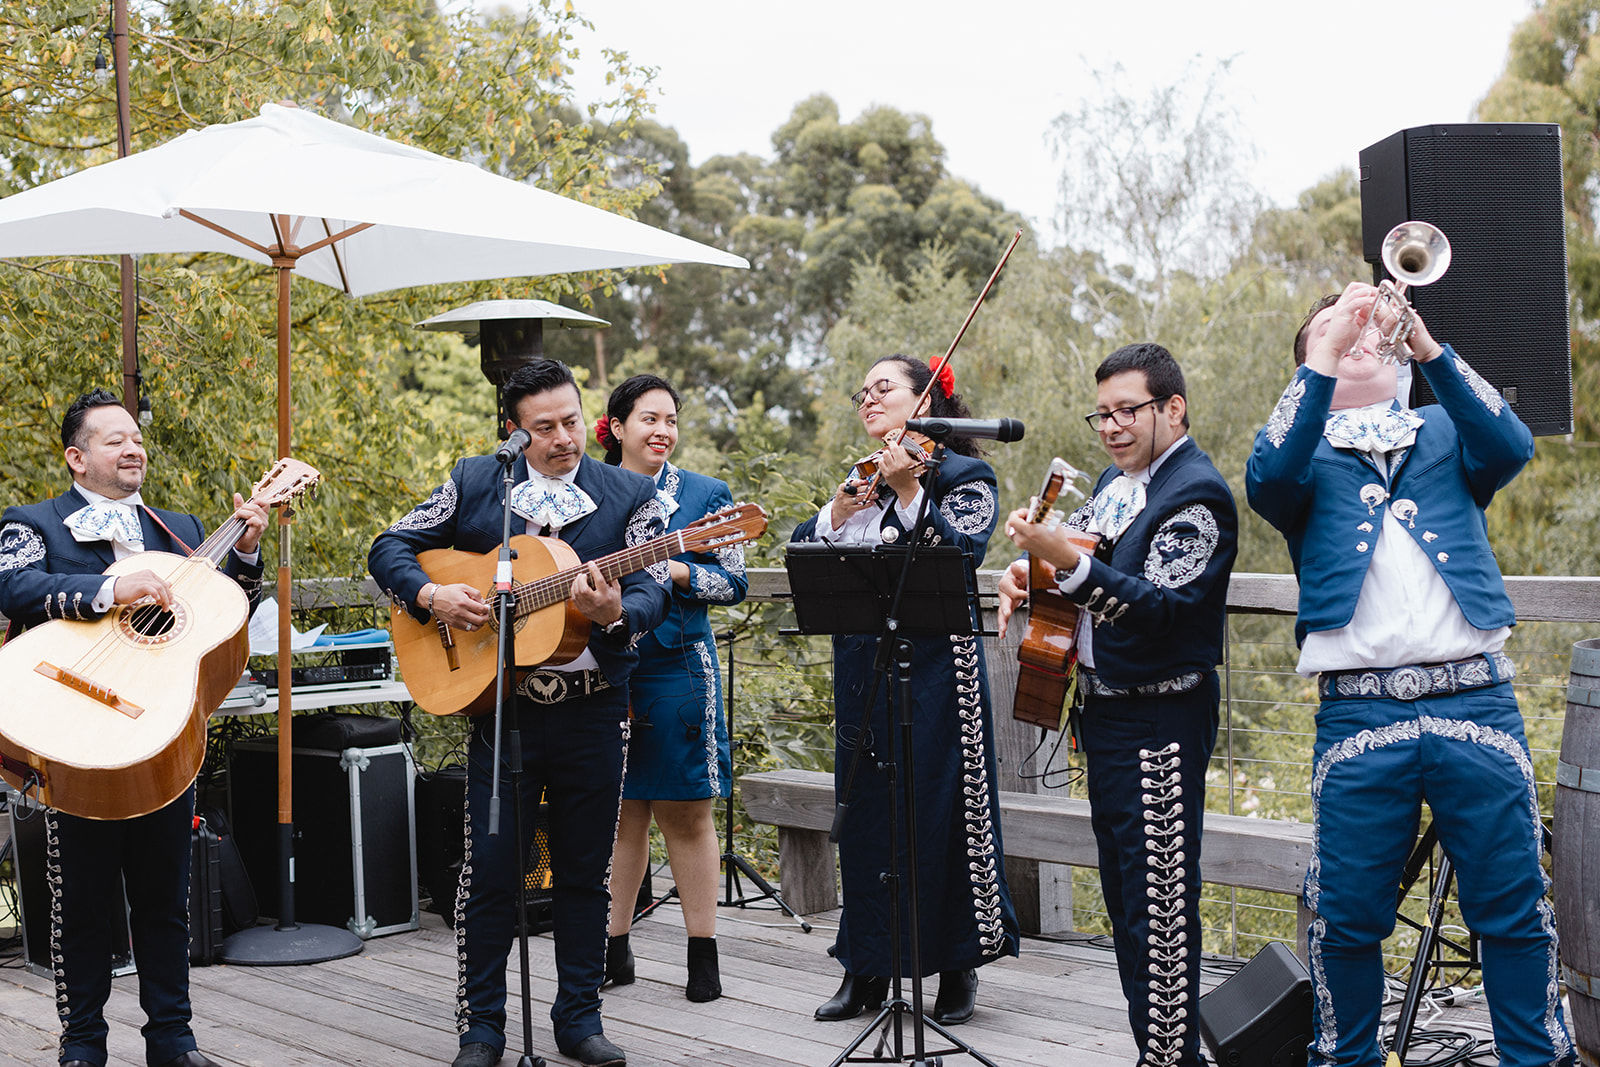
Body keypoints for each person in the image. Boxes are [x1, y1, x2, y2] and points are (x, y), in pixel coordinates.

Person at [1245, 284, 1576, 1067]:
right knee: (1347, 917)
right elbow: (1266, 475)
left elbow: (1511, 443)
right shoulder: (1298, 451)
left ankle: (1536, 1058)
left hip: (1477, 702)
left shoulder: (1440, 426)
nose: (1357, 331)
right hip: (1360, 718)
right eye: (1332, 329)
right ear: (1308, 363)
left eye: (1367, 327)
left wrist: (1426, 345)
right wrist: (1327, 350)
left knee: (1514, 910)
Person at [369, 360, 670, 1067]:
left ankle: (579, 1018)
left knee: (583, 870)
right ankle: (481, 1028)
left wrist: (615, 612)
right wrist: (432, 597)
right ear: (515, 430)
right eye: (545, 427)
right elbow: (389, 545)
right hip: (501, 710)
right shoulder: (477, 481)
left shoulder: (629, 494)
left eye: (572, 420)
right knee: (493, 869)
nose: (564, 437)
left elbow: (656, 588)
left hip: (593, 711)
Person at [0, 388, 267, 1067]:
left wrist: (246, 557)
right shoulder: (34, 522)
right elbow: (15, 588)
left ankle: (172, 1038)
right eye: (114, 438)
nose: (133, 447)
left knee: (165, 896)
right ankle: (83, 1042)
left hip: (160, 736)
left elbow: (218, 617)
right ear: (76, 456)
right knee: (81, 904)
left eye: (136, 437)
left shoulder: (177, 526)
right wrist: (108, 591)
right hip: (76, 733)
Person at [998, 342, 1237, 1067]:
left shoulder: (1197, 494)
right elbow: (1087, 561)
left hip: (1162, 716)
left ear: (1173, 407)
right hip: (1104, 713)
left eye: (1127, 410)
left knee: (1159, 904)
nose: (1111, 426)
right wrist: (1026, 569)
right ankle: (1156, 1053)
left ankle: (1171, 1060)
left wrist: (1063, 561)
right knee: (1126, 895)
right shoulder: (1114, 480)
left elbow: (1155, 608)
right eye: (1101, 413)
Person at [790, 352, 1020, 1026]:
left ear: (926, 398)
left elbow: (963, 552)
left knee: (938, 811)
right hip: (864, 668)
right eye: (862, 391)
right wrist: (838, 509)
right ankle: (865, 967)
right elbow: (809, 552)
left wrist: (914, 492)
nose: (868, 398)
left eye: (883, 387)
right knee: (863, 813)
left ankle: (957, 966)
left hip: (937, 673)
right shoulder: (860, 478)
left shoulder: (963, 473)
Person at [595, 373, 748, 1004]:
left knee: (686, 812)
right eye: (649, 419)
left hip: (678, 667)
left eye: (672, 421)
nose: (663, 432)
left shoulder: (708, 495)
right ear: (618, 427)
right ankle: (613, 946)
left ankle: (702, 955)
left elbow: (732, 583)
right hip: (600, 668)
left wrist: (676, 568)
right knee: (619, 813)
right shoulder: (588, 491)